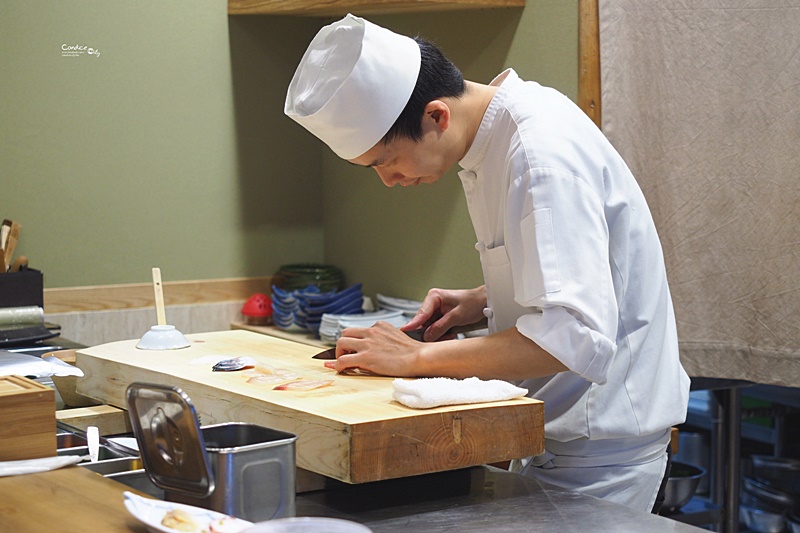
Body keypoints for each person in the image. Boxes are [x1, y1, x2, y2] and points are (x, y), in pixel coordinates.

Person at [284, 14, 690, 513]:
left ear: (436, 116)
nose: (388, 181)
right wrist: (481, 299)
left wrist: (415, 359)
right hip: (555, 436)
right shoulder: (504, 131)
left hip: (597, 451)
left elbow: (575, 338)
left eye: (384, 162)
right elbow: (583, 268)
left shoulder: (539, 155)